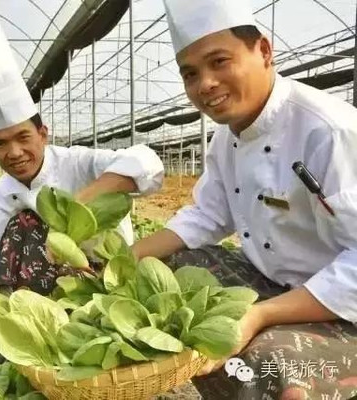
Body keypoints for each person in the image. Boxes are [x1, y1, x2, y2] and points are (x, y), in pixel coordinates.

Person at [131, 0, 357, 398]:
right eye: (191, 74)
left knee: (272, 368)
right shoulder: (225, 140)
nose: (205, 84)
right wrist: (124, 260)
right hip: (272, 283)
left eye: (219, 61)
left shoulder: (329, 131)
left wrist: (261, 316)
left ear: (264, 51)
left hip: (339, 303)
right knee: (170, 277)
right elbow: (206, 216)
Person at [0, 15, 164, 326]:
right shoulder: (0, 192)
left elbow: (148, 163)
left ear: (43, 134)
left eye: (23, 137)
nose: (14, 152)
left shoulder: (78, 162)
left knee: (35, 220)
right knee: (23, 222)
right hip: (43, 288)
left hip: (105, 273)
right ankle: (34, 313)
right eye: (0, 144)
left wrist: (77, 208)